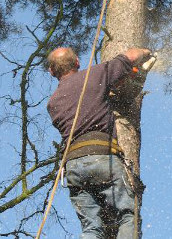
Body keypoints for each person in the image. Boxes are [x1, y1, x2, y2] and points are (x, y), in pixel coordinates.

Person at [47, 47, 151, 239]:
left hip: (74, 167)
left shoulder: (52, 103)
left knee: (91, 229)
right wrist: (148, 52)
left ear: (52, 71)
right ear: (77, 62)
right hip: (102, 158)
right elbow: (130, 57)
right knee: (128, 214)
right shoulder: (93, 76)